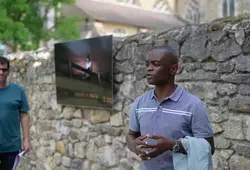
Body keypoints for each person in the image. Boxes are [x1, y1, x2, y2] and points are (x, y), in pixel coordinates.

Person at [126, 46, 214, 170]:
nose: (149, 69)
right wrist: (134, 145)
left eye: (156, 64)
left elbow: (209, 147)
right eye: (147, 64)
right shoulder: (140, 103)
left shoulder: (194, 105)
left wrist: (173, 145)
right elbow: (131, 135)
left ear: (173, 69)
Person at [0, 56, 31, 170]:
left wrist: (26, 140)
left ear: (8, 71)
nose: (1, 72)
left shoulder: (18, 90)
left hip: (11, 146)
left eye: (4, 69)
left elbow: (24, 115)